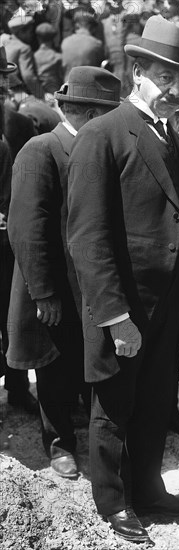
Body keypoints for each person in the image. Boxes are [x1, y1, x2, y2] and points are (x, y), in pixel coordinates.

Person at [66, 15, 179, 545]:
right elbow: (87, 238)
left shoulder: (168, 136)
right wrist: (114, 317)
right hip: (124, 307)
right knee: (113, 407)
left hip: (170, 305)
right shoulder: (102, 136)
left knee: (157, 402)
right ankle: (113, 501)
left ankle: (149, 489)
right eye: (167, 77)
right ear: (138, 71)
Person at [7, 67, 121, 479]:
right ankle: (58, 445)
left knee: (87, 362)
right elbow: (26, 229)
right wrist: (43, 294)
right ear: (88, 113)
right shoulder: (40, 150)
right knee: (54, 368)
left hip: (90, 284)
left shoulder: (99, 149)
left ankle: (92, 438)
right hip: (55, 288)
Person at [0, 43, 38, 414]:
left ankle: (17, 385)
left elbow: (30, 184)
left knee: (9, 312)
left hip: (9, 238)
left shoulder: (21, 124)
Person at [2, 14, 44, 99]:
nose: (32, 35)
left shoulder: (5, 41)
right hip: (12, 90)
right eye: (30, 32)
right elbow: (28, 76)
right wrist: (41, 96)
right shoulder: (24, 48)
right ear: (21, 32)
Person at [61, 12, 104, 80]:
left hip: (67, 85)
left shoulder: (65, 42)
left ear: (77, 25)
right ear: (92, 28)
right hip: (88, 86)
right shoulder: (96, 44)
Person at [34, 22, 63, 96]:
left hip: (38, 94)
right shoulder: (58, 57)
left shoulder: (33, 56)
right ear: (53, 38)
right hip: (55, 94)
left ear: (38, 38)